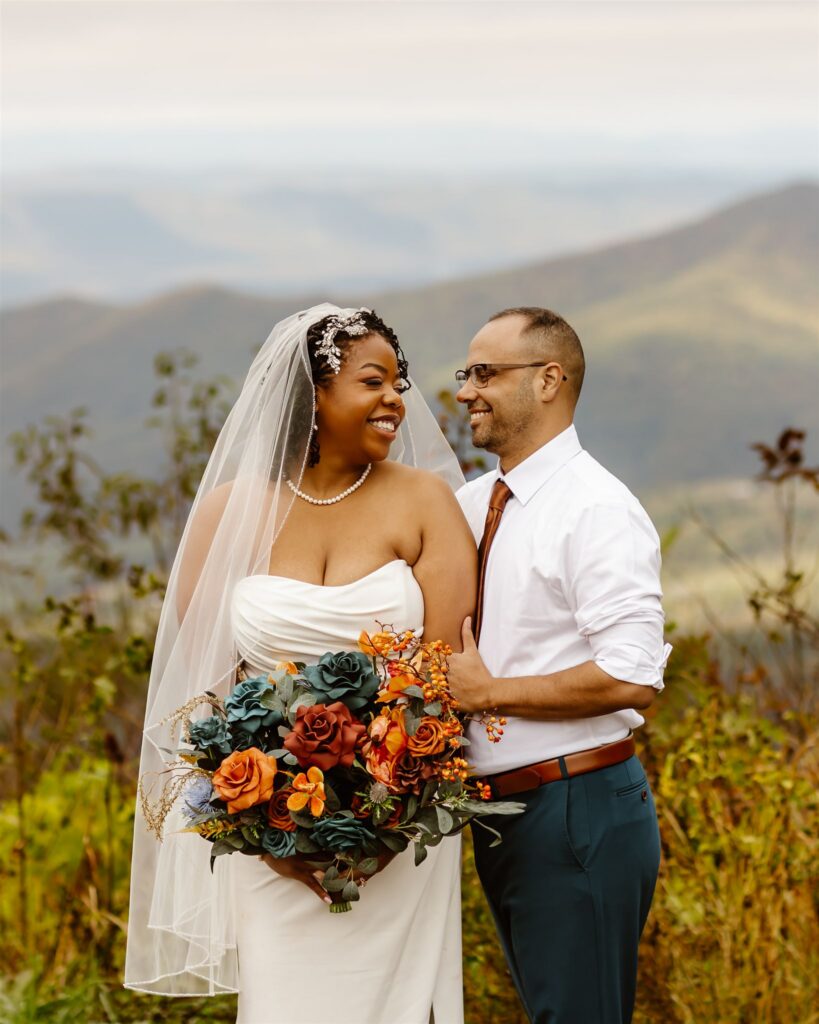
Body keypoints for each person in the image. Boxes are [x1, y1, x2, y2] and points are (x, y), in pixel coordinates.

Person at [124, 304, 477, 1024]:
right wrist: (265, 829)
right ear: (312, 395)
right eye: (373, 382)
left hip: (399, 828)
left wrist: (386, 825)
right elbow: (204, 694)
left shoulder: (425, 502)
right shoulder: (230, 512)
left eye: (399, 383)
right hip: (270, 838)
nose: (396, 402)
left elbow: (445, 681)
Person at [448, 307, 672, 1024]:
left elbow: (630, 674)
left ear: (548, 380)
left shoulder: (598, 510)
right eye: (465, 373)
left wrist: (489, 693)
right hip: (501, 813)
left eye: (485, 373)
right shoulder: (471, 501)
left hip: (576, 810)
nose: (464, 391)